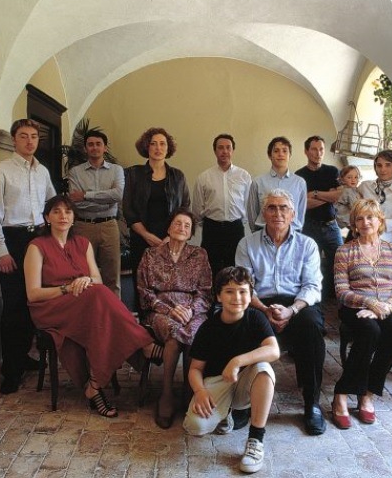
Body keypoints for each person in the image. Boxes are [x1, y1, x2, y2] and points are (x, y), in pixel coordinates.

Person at [23, 195, 163, 418]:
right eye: (56, 211)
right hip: (50, 307)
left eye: (68, 211)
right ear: (47, 217)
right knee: (98, 295)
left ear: (74, 218)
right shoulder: (36, 247)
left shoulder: (83, 243)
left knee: (99, 310)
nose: (63, 216)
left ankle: (94, 385)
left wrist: (86, 280)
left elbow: (96, 279)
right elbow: (33, 293)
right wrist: (67, 288)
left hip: (83, 303)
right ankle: (144, 343)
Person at [236, 188, 327, 436]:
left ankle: (312, 403)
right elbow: (244, 286)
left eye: (283, 208)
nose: (278, 213)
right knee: (241, 323)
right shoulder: (247, 243)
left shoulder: (307, 245)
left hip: (297, 303)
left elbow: (312, 286)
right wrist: (264, 309)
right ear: (263, 213)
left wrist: (291, 310)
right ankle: (242, 401)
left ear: (293, 214)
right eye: (272, 207)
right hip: (260, 302)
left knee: (312, 325)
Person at [0, 118, 56, 394]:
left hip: (38, 238)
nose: (29, 141)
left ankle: (23, 356)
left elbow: (51, 204)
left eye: (34, 136)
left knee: (32, 301)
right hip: (12, 240)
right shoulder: (0, 171)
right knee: (13, 306)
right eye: (23, 136)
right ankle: (11, 371)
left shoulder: (42, 172)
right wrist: (1, 251)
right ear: (14, 140)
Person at [183, 266, 280, 474]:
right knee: (195, 427)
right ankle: (226, 414)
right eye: (229, 291)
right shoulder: (208, 328)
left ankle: (256, 439)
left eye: (243, 291)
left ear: (251, 295)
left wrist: (237, 361)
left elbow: (274, 350)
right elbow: (195, 369)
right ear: (218, 296)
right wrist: (200, 391)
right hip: (218, 381)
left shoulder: (256, 318)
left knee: (264, 369)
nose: (237, 297)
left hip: (246, 380)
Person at [331, 199, 392, 429]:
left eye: (370, 217)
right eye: (360, 218)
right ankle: (341, 393)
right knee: (369, 331)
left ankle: (367, 393)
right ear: (354, 224)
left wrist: (386, 307)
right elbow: (341, 291)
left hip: (390, 306)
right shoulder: (344, 251)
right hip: (356, 307)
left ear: (380, 220)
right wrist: (370, 303)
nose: (365, 222)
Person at [138, 209, 212, 428]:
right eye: (178, 223)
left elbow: (206, 292)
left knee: (194, 332)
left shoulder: (199, 255)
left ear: (191, 233)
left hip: (192, 311)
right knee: (173, 333)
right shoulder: (150, 255)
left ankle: (189, 391)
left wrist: (191, 310)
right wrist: (167, 310)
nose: (182, 228)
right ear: (169, 228)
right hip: (161, 311)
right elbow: (143, 291)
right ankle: (167, 393)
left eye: (187, 226)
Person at [123, 127, 190, 275]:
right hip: (141, 238)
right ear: (146, 147)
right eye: (153, 143)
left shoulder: (178, 176)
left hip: (171, 239)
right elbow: (128, 209)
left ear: (168, 148)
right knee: (142, 281)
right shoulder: (134, 174)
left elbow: (185, 208)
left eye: (162, 143)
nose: (158, 148)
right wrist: (146, 235)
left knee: (170, 281)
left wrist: (170, 237)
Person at [67, 129, 124, 298]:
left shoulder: (116, 170)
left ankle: (114, 311)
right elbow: (77, 203)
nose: (94, 147)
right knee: (83, 273)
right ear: (85, 148)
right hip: (83, 226)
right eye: (90, 144)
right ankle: (88, 310)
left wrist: (86, 195)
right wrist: (106, 199)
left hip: (109, 226)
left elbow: (118, 195)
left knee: (112, 275)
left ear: (105, 147)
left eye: (98, 144)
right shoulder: (75, 172)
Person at [191, 134, 252, 278]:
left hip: (235, 228)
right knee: (210, 268)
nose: (224, 151)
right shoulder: (204, 177)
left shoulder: (244, 176)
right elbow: (197, 206)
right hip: (212, 229)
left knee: (235, 268)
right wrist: (205, 224)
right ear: (215, 151)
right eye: (220, 148)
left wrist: (240, 221)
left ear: (233, 150)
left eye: (228, 148)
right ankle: (212, 293)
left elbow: (248, 204)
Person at [296, 135, 344, 300]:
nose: (318, 153)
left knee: (339, 263)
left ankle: (334, 299)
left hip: (331, 226)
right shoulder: (299, 176)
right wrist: (328, 196)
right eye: (314, 149)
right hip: (308, 226)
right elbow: (303, 205)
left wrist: (315, 194)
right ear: (306, 151)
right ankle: (315, 298)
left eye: (321, 149)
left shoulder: (332, 171)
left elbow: (339, 195)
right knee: (310, 265)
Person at [246, 136, 307, 232]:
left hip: (292, 233)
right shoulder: (258, 182)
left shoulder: (299, 182)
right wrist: (256, 234)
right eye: (276, 151)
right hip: (263, 233)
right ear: (270, 155)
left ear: (290, 155)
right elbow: (252, 213)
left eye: (284, 151)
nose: (280, 154)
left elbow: (300, 213)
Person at [358, 149, 392, 243]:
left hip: (384, 241)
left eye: (388, 165)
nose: (383, 169)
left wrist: (375, 223)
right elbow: (352, 209)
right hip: (359, 238)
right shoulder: (364, 186)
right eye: (379, 165)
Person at [335, 165, 362, 232]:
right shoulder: (347, 191)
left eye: (356, 177)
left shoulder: (353, 190)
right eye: (349, 177)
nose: (353, 180)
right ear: (342, 180)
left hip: (343, 220)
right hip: (343, 219)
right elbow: (355, 207)